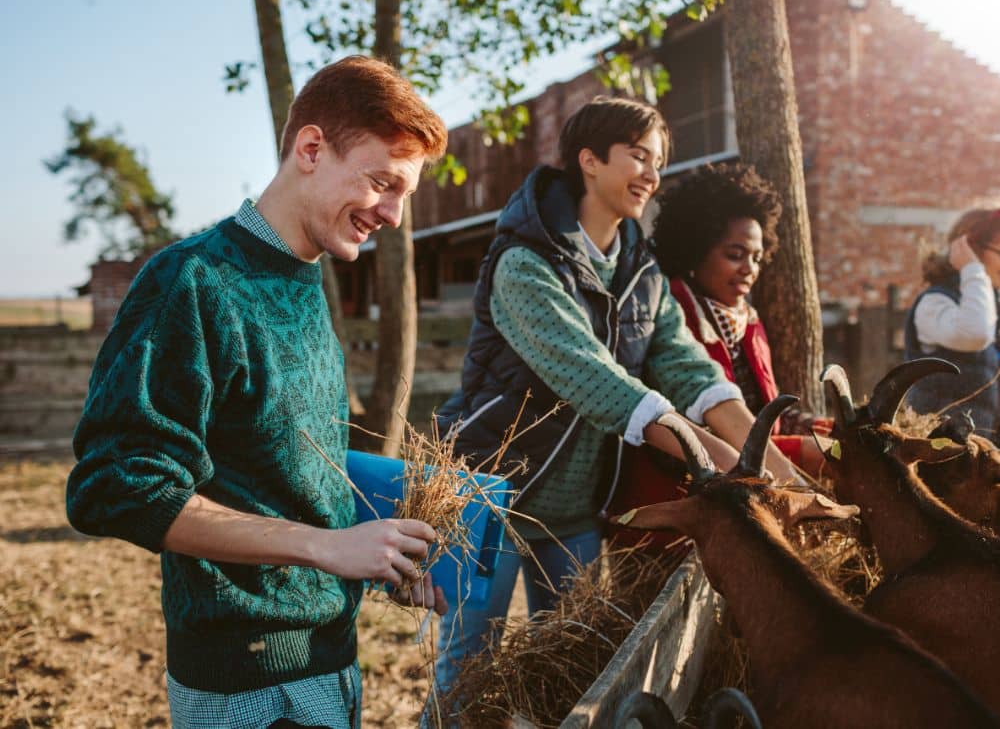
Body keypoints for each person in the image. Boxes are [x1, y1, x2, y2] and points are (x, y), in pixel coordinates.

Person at [66, 56, 449, 729]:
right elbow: (116, 484)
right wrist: (324, 546)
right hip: (248, 684)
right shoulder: (192, 281)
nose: (392, 213)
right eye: (383, 182)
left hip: (330, 661)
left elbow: (284, 470)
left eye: (404, 196)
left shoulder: (305, 280)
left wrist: (378, 549)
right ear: (310, 148)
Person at [429, 97, 802, 703]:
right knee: (466, 677)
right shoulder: (523, 263)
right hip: (487, 493)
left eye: (658, 161)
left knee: (567, 671)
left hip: (574, 505)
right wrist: (719, 465)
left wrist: (780, 477)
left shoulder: (643, 273)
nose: (652, 174)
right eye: (638, 156)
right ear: (590, 161)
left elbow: (689, 368)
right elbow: (592, 378)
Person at [649, 162, 827, 471]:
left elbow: (768, 417)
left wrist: (834, 432)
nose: (749, 269)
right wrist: (810, 451)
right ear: (696, 249)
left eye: (757, 258)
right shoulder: (672, 315)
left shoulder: (748, 320)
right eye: (735, 255)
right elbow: (707, 436)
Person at [905, 202, 1000, 447]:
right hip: (955, 456)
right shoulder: (936, 304)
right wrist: (972, 269)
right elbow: (976, 333)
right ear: (969, 249)